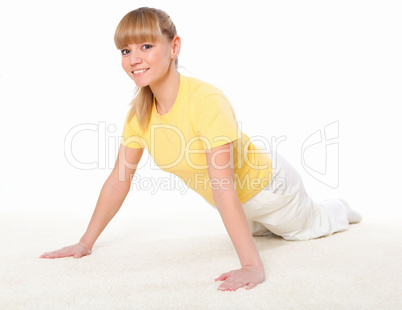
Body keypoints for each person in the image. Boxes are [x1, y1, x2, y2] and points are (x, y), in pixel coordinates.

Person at [40, 7, 363, 291]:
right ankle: (272, 226)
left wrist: (251, 265)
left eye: (146, 46)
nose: (134, 59)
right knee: (261, 233)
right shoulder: (139, 114)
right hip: (235, 202)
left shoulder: (206, 100)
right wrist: (85, 243)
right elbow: (118, 180)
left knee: (304, 230)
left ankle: (337, 207)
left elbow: (222, 185)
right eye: (125, 51)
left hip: (269, 188)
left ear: (174, 46)